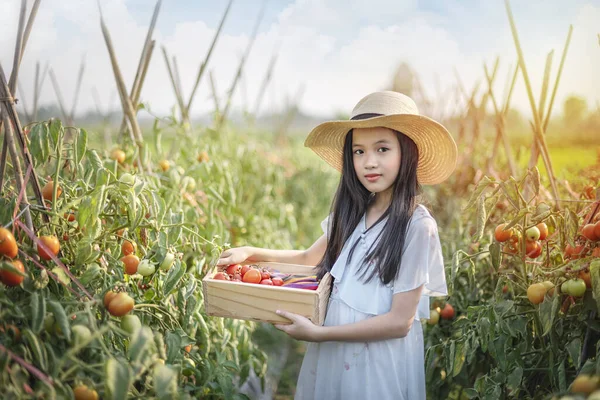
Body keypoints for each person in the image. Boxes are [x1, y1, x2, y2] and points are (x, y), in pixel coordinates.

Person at [216, 91, 457, 399]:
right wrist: (251, 252)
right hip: (334, 354)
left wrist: (321, 334)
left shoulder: (417, 226)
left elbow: (400, 322)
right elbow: (307, 257)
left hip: (376, 360)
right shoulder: (355, 210)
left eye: (382, 149)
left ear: (406, 153)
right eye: (359, 151)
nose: (369, 162)